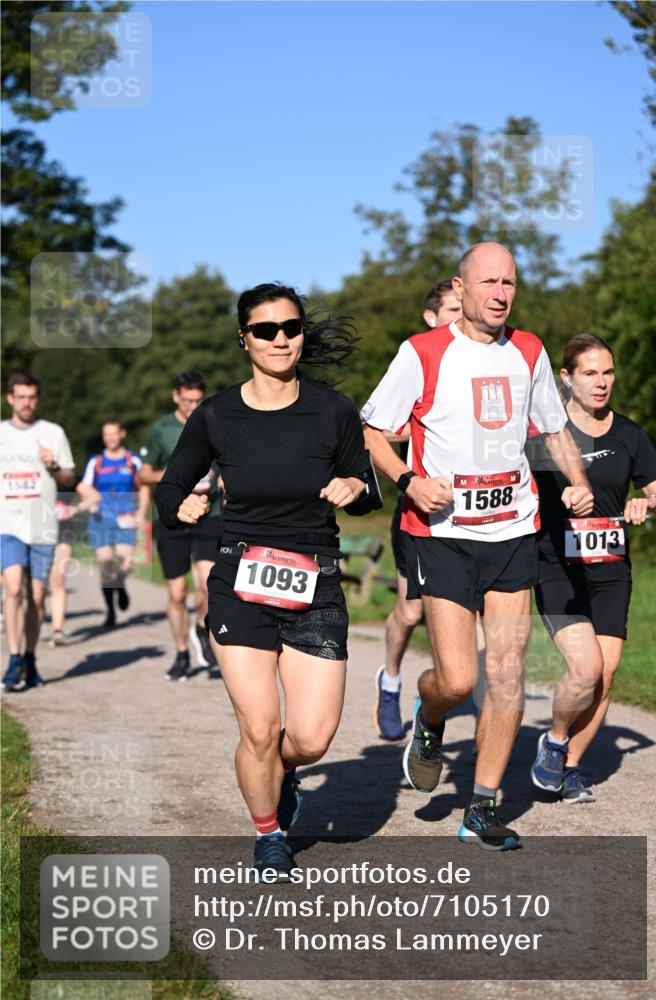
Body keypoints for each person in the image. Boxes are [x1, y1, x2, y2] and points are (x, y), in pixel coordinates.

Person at [361, 242, 594, 850]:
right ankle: (429, 717)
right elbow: (373, 435)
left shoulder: (531, 350)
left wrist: (578, 483)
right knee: (458, 679)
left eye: (509, 283)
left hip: (513, 528)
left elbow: (551, 429)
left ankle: (482, 808)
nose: (499, 293)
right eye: (487, 282)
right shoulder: (421, 353)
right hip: (442, 536)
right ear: (460, 290)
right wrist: (410, 481)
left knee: (508, 673)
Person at [155, 283, 374, 879]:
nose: (281, 339)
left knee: (310, 737)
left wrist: (355, 488)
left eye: (291, 328)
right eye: (266, 330)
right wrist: (181, 509)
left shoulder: (333, 409)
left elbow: (365, 485)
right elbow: (171, 487)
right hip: (240, 576)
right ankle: (269, 833)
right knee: (260, 727)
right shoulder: (216, 414)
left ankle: (283, 773)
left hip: (315, 579)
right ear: (244, 339)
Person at [529, 334, 656, 801]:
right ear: (566, 378)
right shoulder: (542, 436)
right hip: (556, 568)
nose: (601, 382)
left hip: (610, 568)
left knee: (605, 677)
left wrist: (648, 501)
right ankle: (553, 738)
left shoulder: (629, 434)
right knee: (585, 669)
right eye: (590, 373)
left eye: (607, 372)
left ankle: (567, 766)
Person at [375, 280, 462, 740]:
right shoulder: (416, 359)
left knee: (460, 614)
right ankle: (390, 679)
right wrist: (421, 430)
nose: (459, 316)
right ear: (430, 316)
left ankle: (440, 692)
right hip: (419, 509)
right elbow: (374, 428)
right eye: (451, 309)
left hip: (473, 515)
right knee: (411, 613)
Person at [139, 373, 223, 680]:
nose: (192, 407)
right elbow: (143, 475)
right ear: (176, 397)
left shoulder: (214, 421)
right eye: (187, 401)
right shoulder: (160, 430)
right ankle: (181, 652)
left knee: (208, 583)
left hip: (209, 514)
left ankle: (203, 630)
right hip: (172, 517)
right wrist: (177, 475)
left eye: (197, 401)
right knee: (177, 593)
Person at [1, 371, 75, 690]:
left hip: (42, 525)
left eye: (32, 397)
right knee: (14, 587)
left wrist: (54, 466)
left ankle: (30, 657)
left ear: (37, 399)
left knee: (37, 595)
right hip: (7, 525)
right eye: (21, 397)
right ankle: (14, 657)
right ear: (10, 399)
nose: (27, 403)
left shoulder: (53, 433)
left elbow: (70, 480)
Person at [79, 419, 149, 628]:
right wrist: (89, 501)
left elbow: (145, 487)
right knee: (106, 564)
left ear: (122, 434)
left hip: (127, 519)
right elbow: (83, 485)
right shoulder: (96, 462)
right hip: (101, 520)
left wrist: (142, 514)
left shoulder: (133, 460)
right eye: (106, 434)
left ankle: (120, 586)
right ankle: (110, 611)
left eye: (113, 433)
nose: (110, 438)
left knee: (123, 563)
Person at [46, 482, 101, 646]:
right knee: (36, 589)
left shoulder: (65, 477)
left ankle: (57, 631)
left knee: (58, 581)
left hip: (62, 532)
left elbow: (95, 495)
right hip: (32, 534)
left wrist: (76, 508)